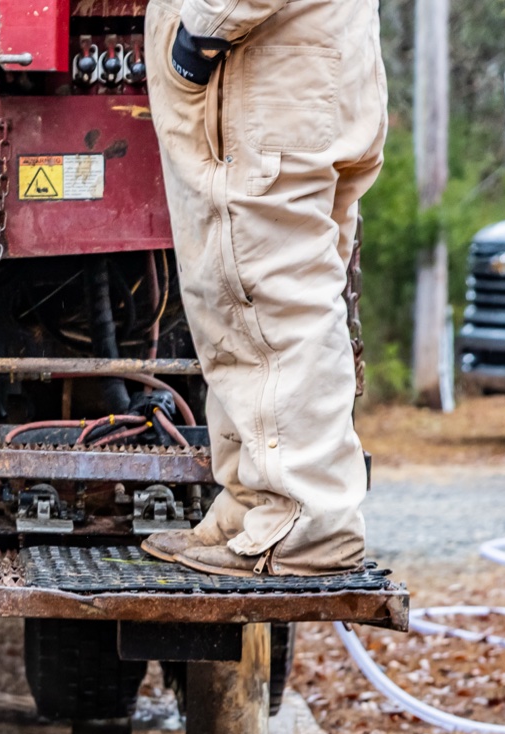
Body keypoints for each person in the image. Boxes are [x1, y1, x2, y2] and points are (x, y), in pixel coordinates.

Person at [140, 0, 385, 577]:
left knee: (263, 293)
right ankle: (257, 506)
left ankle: (308, 523)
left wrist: (201, 31)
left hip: (261, 69)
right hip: (306, 66)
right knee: (250, 299)